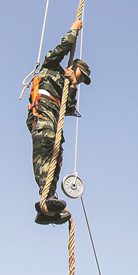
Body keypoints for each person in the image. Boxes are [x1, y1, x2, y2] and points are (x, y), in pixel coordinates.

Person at [26, 19, 91, 226]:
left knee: (56, 159)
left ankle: (47, 205)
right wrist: (73, 31)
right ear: (74, 66)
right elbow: (60, 50)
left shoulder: (68, 86)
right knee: (45, 150)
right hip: (43, 116)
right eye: (81, 76)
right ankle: (46, 200)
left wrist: (72, 84)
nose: (81, 80)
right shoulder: (52, 68)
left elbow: (69, 108)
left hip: (54, 122)